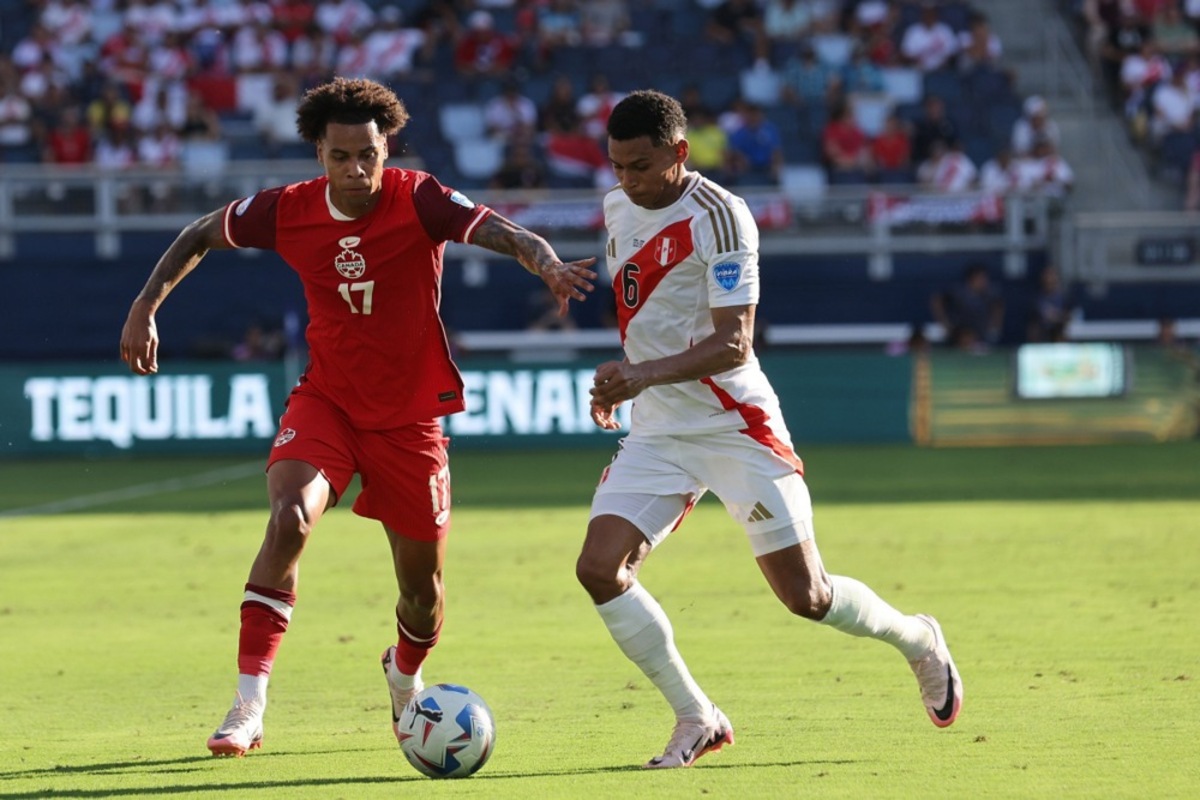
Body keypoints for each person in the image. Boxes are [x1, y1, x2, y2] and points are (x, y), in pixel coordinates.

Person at [119, 77, 597, 758]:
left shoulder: (418, 196)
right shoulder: (287, 210)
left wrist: (545, 262)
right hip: (329, 403)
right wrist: (145, 306)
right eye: (341, 156)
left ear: (387, 146)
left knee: (422, 595)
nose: (356, 170)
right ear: (319, 152)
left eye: (367, 155)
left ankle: (403, 672)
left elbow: (500, 230)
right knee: (289, 520)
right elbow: (199, 233)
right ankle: (248, 706)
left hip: (409, 423)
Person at [576, 90, 963, 770]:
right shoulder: (616, 207)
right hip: (660, 430)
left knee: (805, 596)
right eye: (616, 166)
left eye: (639, 166)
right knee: (599, 569)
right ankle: (697, 716)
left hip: (734, 424)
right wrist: (623, 380)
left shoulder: (723, 218)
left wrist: (639, 377)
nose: (626, 181)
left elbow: (734, 343)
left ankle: (917, 639)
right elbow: (649, 316)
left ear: (679, 153)